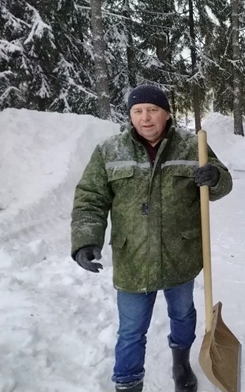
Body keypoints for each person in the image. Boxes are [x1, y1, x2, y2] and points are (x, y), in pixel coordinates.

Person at [70, 84, 232, 392]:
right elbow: (90, 198)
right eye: (138, 111)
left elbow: (222, 184)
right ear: (130, 116)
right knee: (131, 330)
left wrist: (215, 178)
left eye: (153, 110)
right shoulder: (109, 150)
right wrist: (86, 239)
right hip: (134, 257)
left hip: (180, 253)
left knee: (183, 315)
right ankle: (128, 383)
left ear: (166, 114)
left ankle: (181, 362)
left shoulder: (191, 146)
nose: (145, 118)